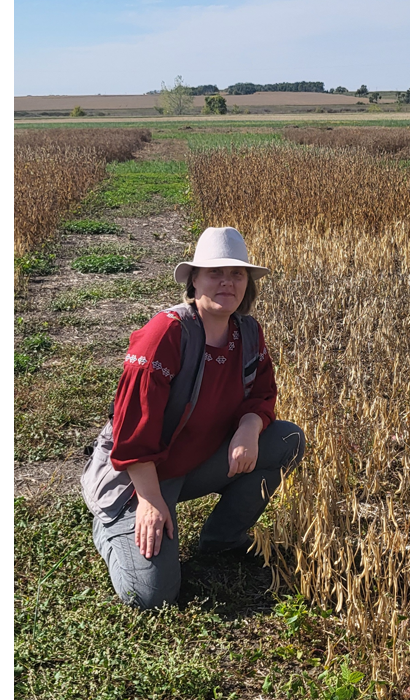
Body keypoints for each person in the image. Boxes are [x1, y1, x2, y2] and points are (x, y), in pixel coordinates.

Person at [82, 226, 306, 609]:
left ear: (247, 284)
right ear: (194, 280)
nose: (227, 282)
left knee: (286, 439)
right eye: (215, 273)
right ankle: (110, 527)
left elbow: (263, 393)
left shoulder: (248, 333)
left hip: (197, 462)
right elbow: (131, 429)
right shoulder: (165, 334)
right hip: (141, 474)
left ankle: (222, 541)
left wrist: (250, 427)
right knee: (151, 596)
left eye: (237, 274)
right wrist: (151, 500)